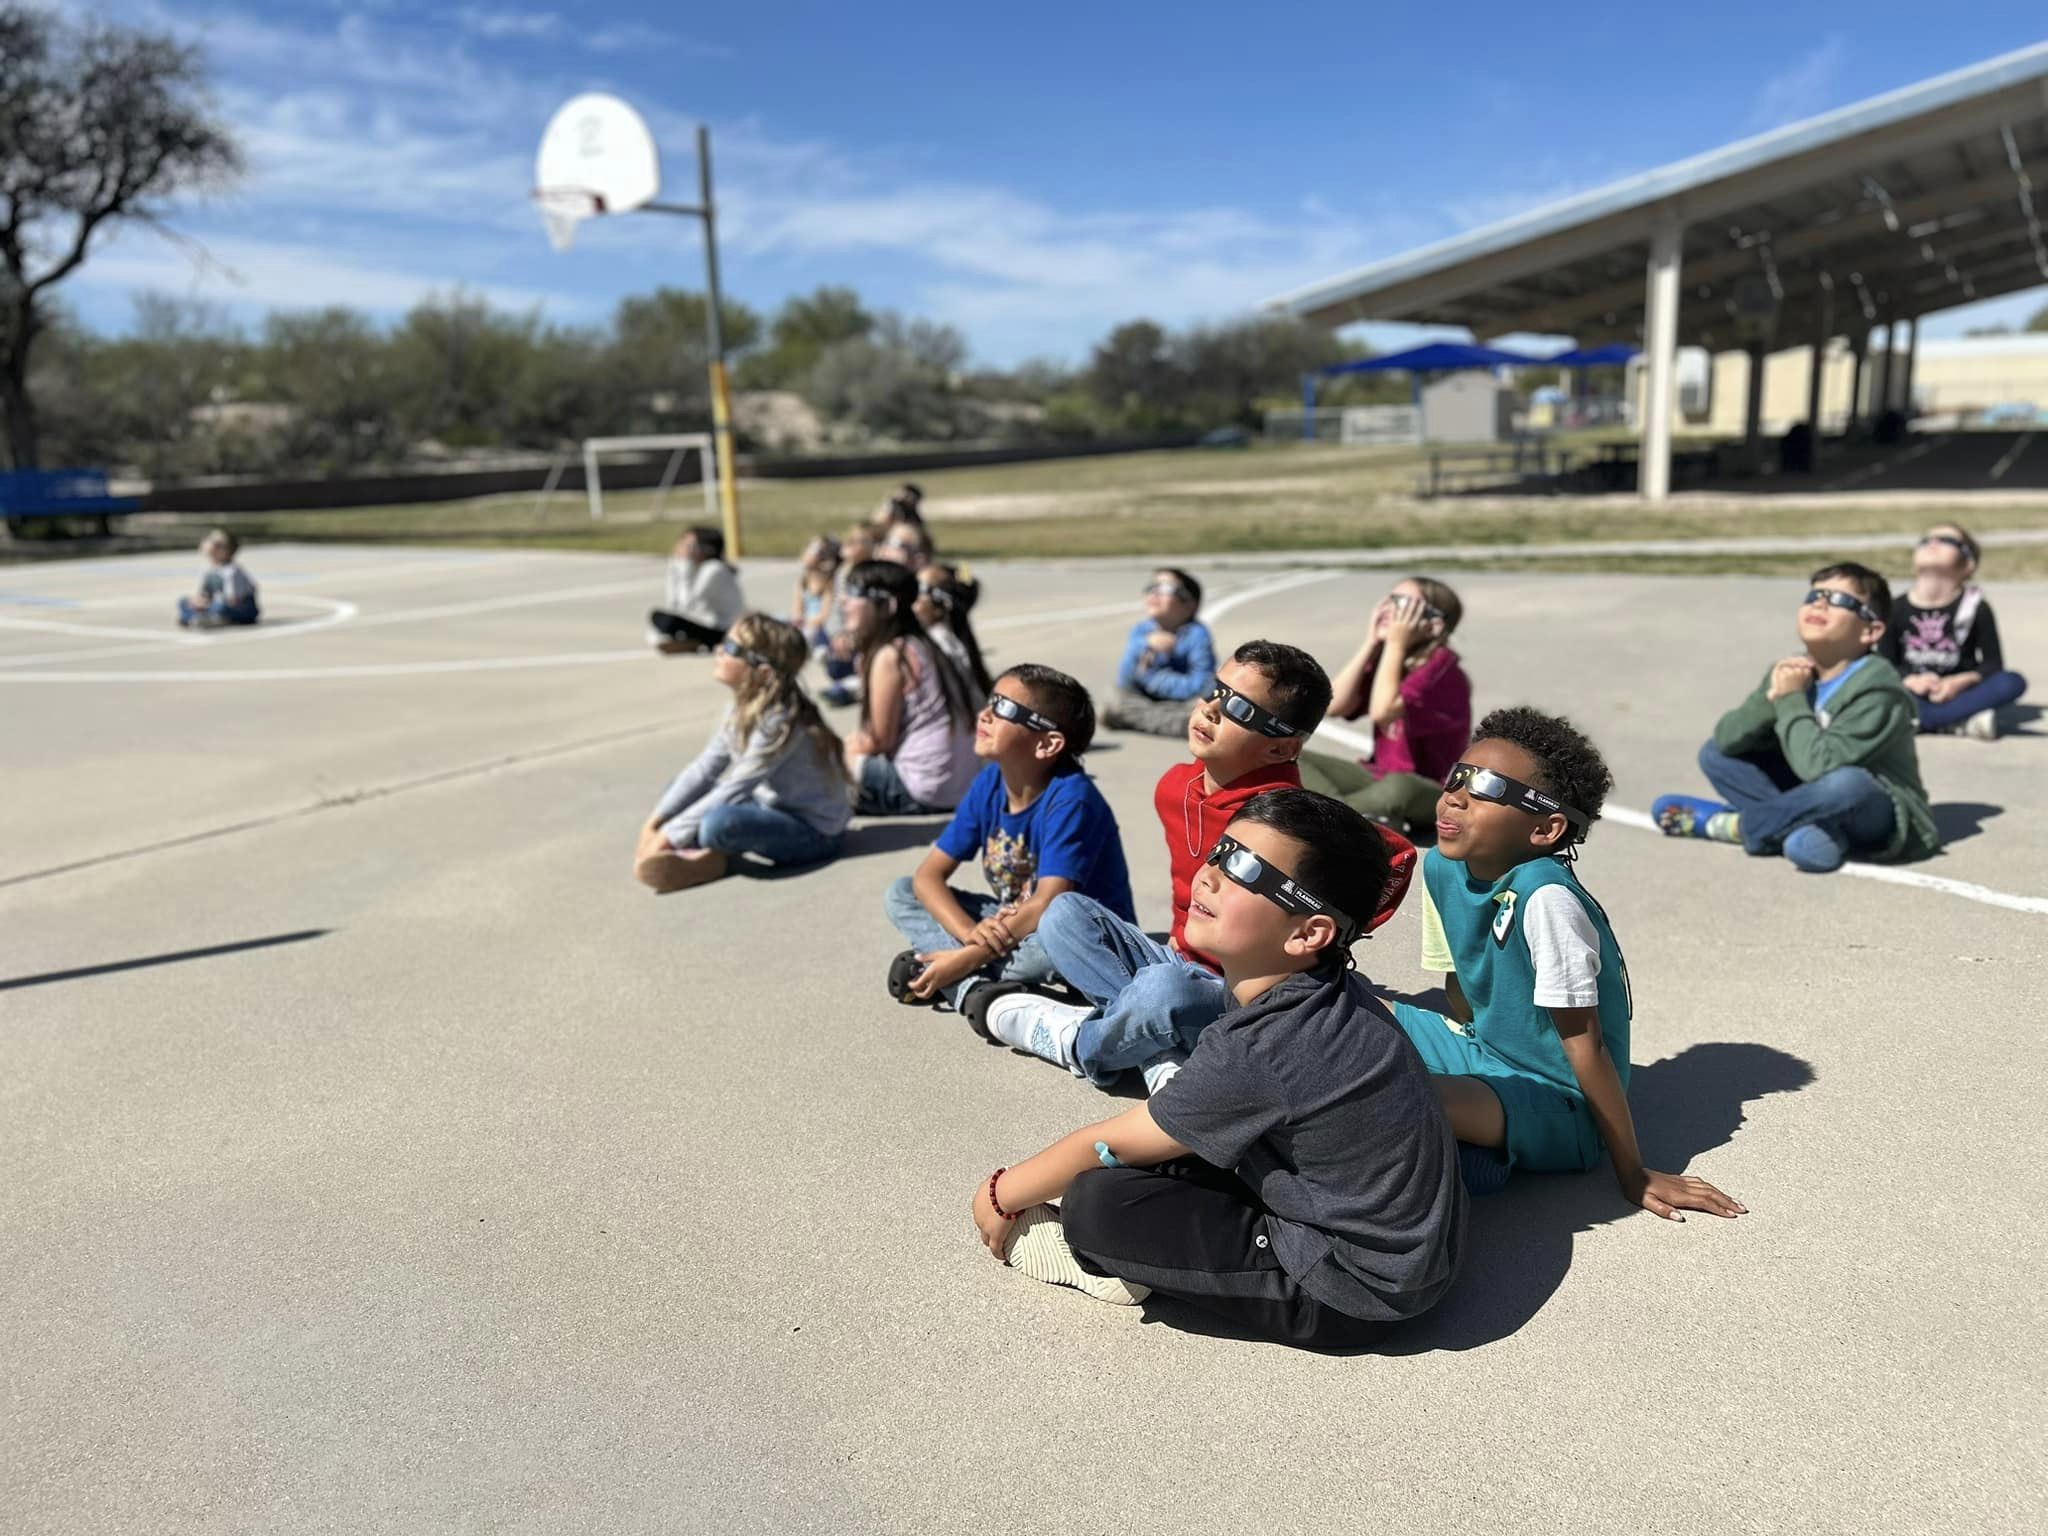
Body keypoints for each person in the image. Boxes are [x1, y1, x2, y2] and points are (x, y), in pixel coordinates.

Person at [968, 789, 1465, 1349]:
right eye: (1222, 852)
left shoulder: (1268, 1044)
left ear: (1309, 933)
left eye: (1247, 870)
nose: (1209, 877)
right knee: (1179, 1142)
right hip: (1399, 1243)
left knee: (1098, 1204)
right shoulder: (1325, 996)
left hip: (1355, 1288)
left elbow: (1110, 1142)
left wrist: (1000, 1193)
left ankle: (1118, 1270)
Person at [983, 641, 1414, 1092]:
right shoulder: (1175, 786)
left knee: (1165, 991)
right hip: (1176, 960)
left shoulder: (1287, 820)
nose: (1210, 710)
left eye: (1240, 710)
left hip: (1242, 993)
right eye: (1215, 690)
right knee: (1064, 915)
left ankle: (1080, 1041)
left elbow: (1398, 856)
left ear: (1280, 748)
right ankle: (1158, 1049)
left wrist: (1339, 935)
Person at [1394, 707, 1748, 1217]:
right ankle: (1473, 1150)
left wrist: (1634, 1172)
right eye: (1458, 777)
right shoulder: (1442, 868)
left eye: (1487, 789)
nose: (1455, 796)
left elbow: (1586, 1043)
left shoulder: (1546, 900)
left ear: (1545, 828)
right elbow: (1462, 991)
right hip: (1484, 1052)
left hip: (1557, 1100)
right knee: (1345, 1017)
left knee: (1401, 1093)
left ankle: (1472, 1151)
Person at [883, 664, 1134, 1023]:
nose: (985, 714)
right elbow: (928, 876)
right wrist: (971, 936)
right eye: (990, 702)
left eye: (1004, 709)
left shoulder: (1072, 799)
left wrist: (968, 957)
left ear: (1047, 743)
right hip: (1010, 926)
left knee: (1046, 950)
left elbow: (1047, 903)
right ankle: (970, 981)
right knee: (902, 891)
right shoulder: (990, 783)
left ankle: (953, 972)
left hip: (1078, 938)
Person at [1652, 563, 1940, 873]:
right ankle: (1808, 830)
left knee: (1847, 783)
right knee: (1715, 754)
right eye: (1815, 595)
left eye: (1840, 600)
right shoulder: (1792, 670)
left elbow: (1820, 767)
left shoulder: (1879, 690)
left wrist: (1790, 699)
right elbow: (1726, 738)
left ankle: (1734, 826)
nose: (1820, 603)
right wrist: (1770, 699)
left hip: (1878, 810)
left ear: (1871, 630)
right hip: (1812, 795)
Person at [633, 614, 852, 891]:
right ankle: (701, 854)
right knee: (677, 789)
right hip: (765, 807)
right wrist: (655, 822)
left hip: (813, 832)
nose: (719, 650)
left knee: (718, 825)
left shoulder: (781, 720)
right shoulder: (740, 707)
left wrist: (668, 836)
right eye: (725, 642)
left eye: (733, 649)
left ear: (763, 673)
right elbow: (704, 768)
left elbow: (737, 787)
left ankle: (713, 857)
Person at [1298, 577, 1471, 837]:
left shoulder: (1442, 669)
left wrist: (1394, 643)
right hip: (1377, 775)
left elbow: (1382, 711)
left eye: (1403, 604)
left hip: (1428, 787)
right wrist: (1371, 642)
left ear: (1434, 625)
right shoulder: (1392, 659)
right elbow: (1334, 706)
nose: (1389, 609)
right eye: (1390, 599)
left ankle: (1338, 817)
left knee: (1399, 787)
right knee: (1293, 753)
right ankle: (1356, 817)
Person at [839, 559, 980, 816]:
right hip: (958, 787)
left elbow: (878, 740)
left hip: (921, 790)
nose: (842, 600)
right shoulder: (925, 645)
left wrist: (838, 751)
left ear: (888, 606)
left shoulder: (892, 655)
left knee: (816, 768)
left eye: (854, 593)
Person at [1880, 522, 2028, 740]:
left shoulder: (1975, 607)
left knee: (2012, 681)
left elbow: (1993, 665)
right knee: (1875, 684)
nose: (1933, 543)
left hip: (1958, 693)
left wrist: (1961, 681)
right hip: (1912, 691)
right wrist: (1909, 680)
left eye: (1946, 541)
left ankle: (1922, 720)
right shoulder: (1895, 608)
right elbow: (1885, 663)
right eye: (1925, 540)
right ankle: (1954, 721)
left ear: (1968, 564)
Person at [1101, 568, 1218, 736]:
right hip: (1144, 700)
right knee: (1114, 696)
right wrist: (1144, 645)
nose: (1155, 593)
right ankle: (1179, 725)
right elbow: (1125, 680)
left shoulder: (1196, 634)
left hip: (1183, 702)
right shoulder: (1141, 631)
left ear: (1189, 605)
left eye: (1165, 589)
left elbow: (1200, 684)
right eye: (1151, 588)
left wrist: (1154, 679)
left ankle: (1136, 720)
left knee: (1205, 706)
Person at [647, 526, 744, 654]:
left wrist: (684, 567)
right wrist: (674, 571)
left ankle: (695, 643)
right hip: (706, 624)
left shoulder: (714, 569)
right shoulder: (696, 567)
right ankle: (690, 643)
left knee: (667, 621)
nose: (680, 547)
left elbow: (687, 604)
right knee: (659, 618)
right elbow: (673, 604)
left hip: (724, 630)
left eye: (688, 545)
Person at [913, 562, 993, 695]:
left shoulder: (938, 648)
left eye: (917, 589)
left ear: (943, 603)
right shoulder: (954, 642)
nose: (910, 597)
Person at [177, 530, 260, 628]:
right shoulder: (208, 570)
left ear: (225, 551)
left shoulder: (232, 571)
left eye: (215, 543)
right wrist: (197, 601)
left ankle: (206, 618)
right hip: (215, 604)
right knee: (183, 602)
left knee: (220, 607)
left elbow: (233, 600)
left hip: (242, 608)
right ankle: (203, 618)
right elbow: (201, 593)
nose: (207, 543)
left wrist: (208, 603)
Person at [791, 535, 841, 652]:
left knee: (812, 633)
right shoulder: (803, 581)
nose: (806, 551)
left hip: (819, 627)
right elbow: (796, 609)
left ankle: (819, 647)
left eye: (813, 549)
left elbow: (824, 615)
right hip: (805, 623)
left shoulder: (828, 583)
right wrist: (797, 620)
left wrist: (807, 623)